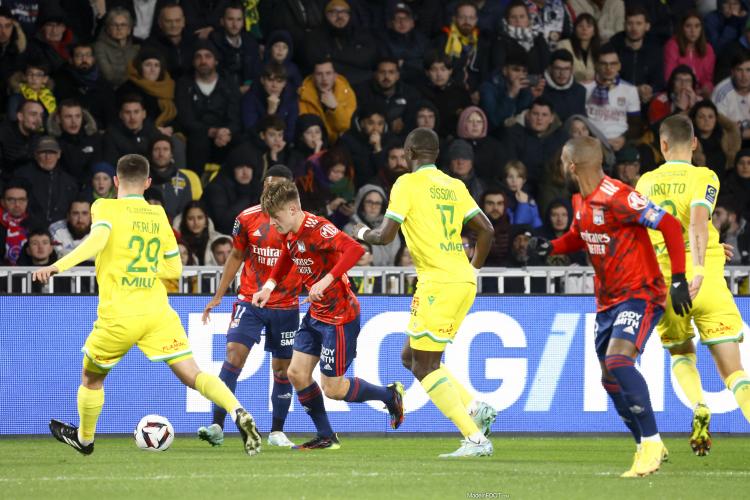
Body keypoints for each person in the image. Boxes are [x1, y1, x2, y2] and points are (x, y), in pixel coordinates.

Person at [32, 154, 262, 457]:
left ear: (115, 182)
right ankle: (238, 411)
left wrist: (56, 267)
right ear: (148, 183)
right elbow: (174, 271)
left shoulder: (105, 206)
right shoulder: (158, 215)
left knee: (91, 378)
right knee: (193, 374)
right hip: (157, 312)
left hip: (119, 315)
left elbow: (97, 240)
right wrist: (147, 272)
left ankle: (85, 439)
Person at [532, 135, 691, 477]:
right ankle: (645, 445)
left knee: (619, 360)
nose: (561, 165)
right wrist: (551, 247)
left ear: (572, 165)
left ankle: (651, 441)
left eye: (563, 160)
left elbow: (668, 224)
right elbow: (579, 236)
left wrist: (678, 278)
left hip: (641, 292)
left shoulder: (619, 197)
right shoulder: (579, 200)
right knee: (609, 376)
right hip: (606, 302)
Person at [355, 127, 497, 457]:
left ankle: (475, 438)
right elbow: (486, 231)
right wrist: (472, 270)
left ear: (409, 153)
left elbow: (385, 236)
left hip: (439, 282)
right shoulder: (454, 185)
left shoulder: (407, 183)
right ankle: (476, 408)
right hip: (460, 279)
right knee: (411, 357)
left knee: (424, 366)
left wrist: (361, 231)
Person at [251, 179, 405, 451]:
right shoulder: (289, 231)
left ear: (292, 209)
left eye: (275, 217)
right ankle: (326, 436)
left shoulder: (319, 229)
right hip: (317, 313)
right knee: (296, 373)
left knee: (333, 389)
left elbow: (355, 249)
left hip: (340, 316)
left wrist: (326, 280)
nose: (273, 224)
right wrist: (269, 286)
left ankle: (389, 395)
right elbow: (288, 255)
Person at [635, 114, 750, 456]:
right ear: (695, 143)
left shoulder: (644, 182)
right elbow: (698, 223)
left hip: (668, 287)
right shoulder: (704, 176)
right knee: (736, 374)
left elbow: (639, 236)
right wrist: (699, 268)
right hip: (706, 283)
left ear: (662, 145)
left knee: (682, 355)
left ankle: (699, 405)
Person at [199, 165, 302, 449]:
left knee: (282, 371)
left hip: (286, 305)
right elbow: (235, 255)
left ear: (290, 191)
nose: (272, 192)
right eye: (268, 186)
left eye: (279, 188)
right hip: (250, 300)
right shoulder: (247, 218)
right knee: (233, 356)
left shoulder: (301, 223)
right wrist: (218, 295)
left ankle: (277, 431)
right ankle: (217, 425)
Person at [16, 135, 78, 226]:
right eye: (43, 152)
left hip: (60, 233)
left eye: (52, 152)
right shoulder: (21, 176)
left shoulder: (69, 182)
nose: (48, 157)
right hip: (27, 229)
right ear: (36, 155)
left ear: (59, 154)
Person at [609, 6, 664, 106]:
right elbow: (609, 79)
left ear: (647, 26)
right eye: (630, 23)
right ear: (624, 25)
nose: (634, 28)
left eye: (638, 23)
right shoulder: (613, 46)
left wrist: (650, 88)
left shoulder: (655, 48)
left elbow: (659, 80)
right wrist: (634, 90)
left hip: (646, 101)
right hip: (617, 100)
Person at [298, 58, 357, 144]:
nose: (324, 78)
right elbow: (305, 129)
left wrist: (334, 108)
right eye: (319, 74)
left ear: (335, 75)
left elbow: (346, 126)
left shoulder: (346, 92)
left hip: (341, 143)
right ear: (313, 77)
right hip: (313, 144)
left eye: (328, 73)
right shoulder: (303, 95)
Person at [343, 184, 401, 266]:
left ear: (383, 206)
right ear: (361, 203)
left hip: (386, 275)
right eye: (369, 202)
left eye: (378, 203)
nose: (373, 207)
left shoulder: (389, 229)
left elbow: (396, 256)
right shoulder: (350, 228)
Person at [663, 11, 716, 98]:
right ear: (682, 28)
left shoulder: (708, 48)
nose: (693, 31)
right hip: (677, 92)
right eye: (688, 26)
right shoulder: (672, 46)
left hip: (700, 94)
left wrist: (707, 87)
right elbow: (669, 77)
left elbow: (708, 79)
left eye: (697, 26)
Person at [93, 7, 140, 88]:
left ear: (129, 30)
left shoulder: (136, 49)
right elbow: (109, 76)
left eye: (123, 24)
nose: (119, 28)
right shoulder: (99, 47)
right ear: (108, 29)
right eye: (114, 25)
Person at [541, 49, 586, 123]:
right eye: (558, 68)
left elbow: (582, 120)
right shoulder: (540, 90)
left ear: (572, 69)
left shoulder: (580, 91)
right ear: (550, 69)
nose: (562, 73)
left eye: (566, 69)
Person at [557, 13, 599, 83]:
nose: (584, 29)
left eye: (588, 26)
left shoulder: (599, 48)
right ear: (575, 29)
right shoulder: (564, 45)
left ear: (594, 31)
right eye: (580, 26)